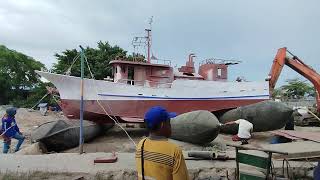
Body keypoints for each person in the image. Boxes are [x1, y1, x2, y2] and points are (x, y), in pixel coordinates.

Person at [135, 106, 189, 180]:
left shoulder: (140, 144)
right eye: (169, 122)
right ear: (162, 125)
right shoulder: (174, 150)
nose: (171, 126)